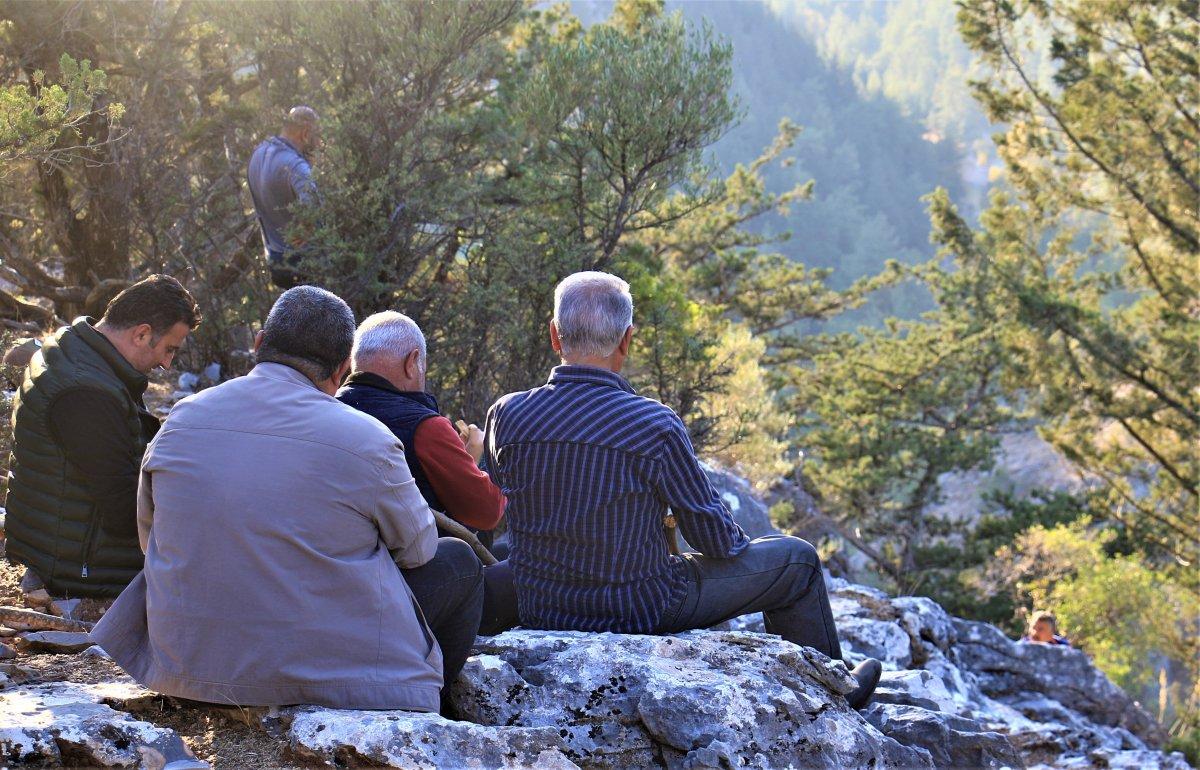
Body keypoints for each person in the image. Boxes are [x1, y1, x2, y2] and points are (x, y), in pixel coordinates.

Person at [484, 271, 881, 708]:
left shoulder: (507, 414)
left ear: (555, 336)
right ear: (627, 341)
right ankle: (835, 692)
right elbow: (715, 539)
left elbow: (498, 504)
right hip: (640, 608)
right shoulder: (654, 424)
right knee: (799, 561)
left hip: (540, 602)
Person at [92, 286, 484, 712]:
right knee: (459, 562)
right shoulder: (367, 439)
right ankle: (431, 716)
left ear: (260, 344)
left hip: (187, 666)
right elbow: (418, 550)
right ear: (343, 369)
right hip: (312, 669)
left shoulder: (182, 419)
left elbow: (152, 540)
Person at [4, 275, 199, 599]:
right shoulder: (86, 393)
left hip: (58, 545)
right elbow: (125, 513)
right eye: (169, 349)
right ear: (141, 333)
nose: (167, 363)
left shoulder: (70, 346)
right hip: (79, 568)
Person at [337, 311, 517, 635]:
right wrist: (475, 461)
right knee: (519, 569)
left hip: (334, 585)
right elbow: (487, 512)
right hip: (402, 596)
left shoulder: (325, 410)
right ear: (413, 361)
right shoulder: (425, 427)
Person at [247, 106, 321, 288]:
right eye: (315, 136)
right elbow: (314, 208)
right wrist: (307, 228)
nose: (318, 143)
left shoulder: (258, 153)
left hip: (275, 264)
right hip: (303, 267)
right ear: (305, 133)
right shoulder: (296, 166)